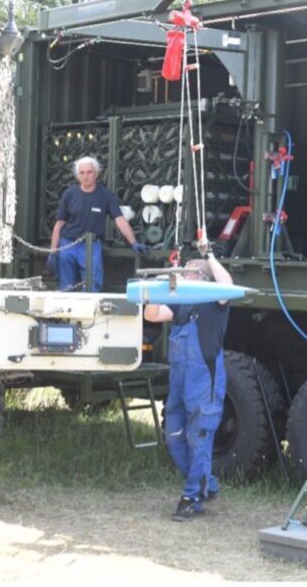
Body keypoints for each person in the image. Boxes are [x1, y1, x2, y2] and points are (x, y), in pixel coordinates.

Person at [143, 248, 232, 521]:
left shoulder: (216, 301)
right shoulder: (181, 304)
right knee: (173, 437)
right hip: (179, 385)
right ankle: (208, 484)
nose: (182, 275)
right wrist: (158, 286)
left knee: (199, 439)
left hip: (203, 383)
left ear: (202, 278)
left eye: (188, 272)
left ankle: (192, 497)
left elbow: (227, 285)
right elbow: (152, 315)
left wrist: (210, 256)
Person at [48, 156, 145, 291]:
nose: (86, 176)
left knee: (93, 282)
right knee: (65, 285)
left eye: (89, 172)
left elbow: (120, 220)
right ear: (77, 175)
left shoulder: (105, 195)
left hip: (91, 244)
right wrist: (53, 251)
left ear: (96, 173)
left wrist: (133, 242)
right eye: (82, 173)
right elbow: (59, 224)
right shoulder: (69, 194)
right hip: (68, 244)